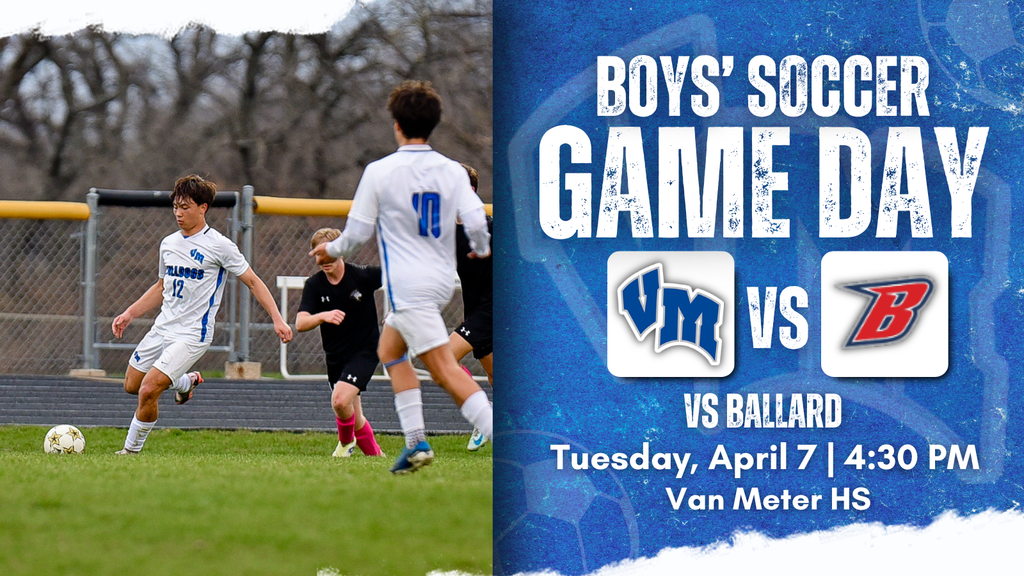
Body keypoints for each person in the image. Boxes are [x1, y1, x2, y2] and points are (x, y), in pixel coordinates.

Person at [309, 80, 493, 475]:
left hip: (409, 285)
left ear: (396, 124)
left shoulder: (380, 171)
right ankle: (415, 443)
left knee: (444, 370)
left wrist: (330, 250)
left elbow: (356, 235)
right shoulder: (451, 170)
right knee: (390, 350)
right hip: (442, 281)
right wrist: (479, 244)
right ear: (435, 123)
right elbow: (476, 220)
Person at [111, 174, 293, 454]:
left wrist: (277, 319)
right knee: (132, 385)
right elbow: (161, 286)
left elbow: (254, 281)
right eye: (176, 207)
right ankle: (185, 381)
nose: (178, 213)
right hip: (162, 328)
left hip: (193, 334)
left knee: (149, 390)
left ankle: (130, 452)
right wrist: (129, 313)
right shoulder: (169, 243)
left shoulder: (219, 246)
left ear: (203, 208)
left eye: (185, 207)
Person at [296, 227, 384, 458]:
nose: (323, 260)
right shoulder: (315, 285)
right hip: (336, 357)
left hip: (365, 351)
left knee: (339, 400)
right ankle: (376, 458)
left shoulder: (362, 276)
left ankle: (345, 444)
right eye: (318, 255)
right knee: (353, 415)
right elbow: (300, 323)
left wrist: (398, 310)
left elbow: (398, 279)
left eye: (328, 254)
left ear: (341, 251)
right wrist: (322, 316)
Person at [452, 164, 493, 452]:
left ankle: (482, 411)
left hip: (495, 308)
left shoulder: (488, 226)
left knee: (442, 357)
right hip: (475, 309)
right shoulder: (443, 232)